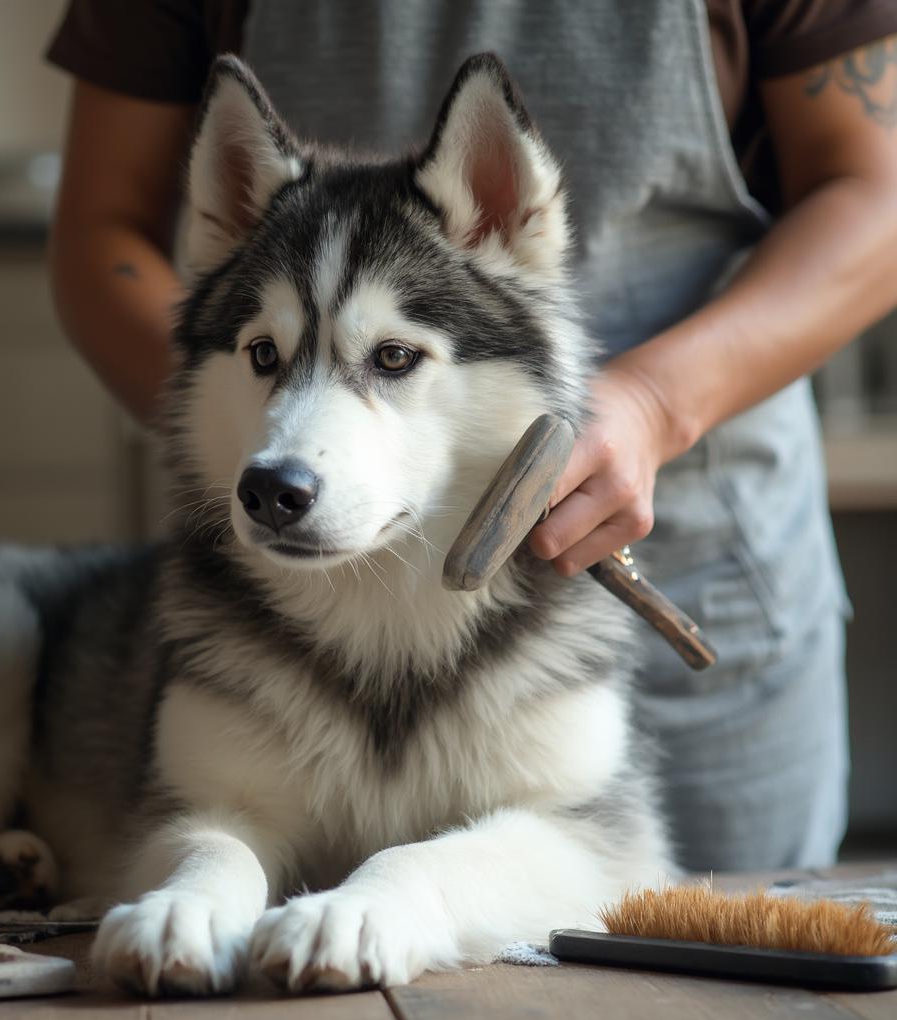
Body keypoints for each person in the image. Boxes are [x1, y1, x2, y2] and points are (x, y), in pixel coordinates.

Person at [45, 1, 897, 871]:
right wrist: (256, 425)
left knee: (719, 983)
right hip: (278, 623)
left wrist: (650, 402)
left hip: (697, 551)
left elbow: (881, 188)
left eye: (391, 358)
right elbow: (98, 228)